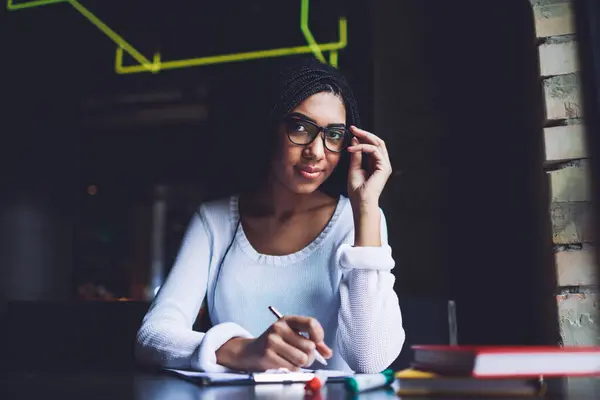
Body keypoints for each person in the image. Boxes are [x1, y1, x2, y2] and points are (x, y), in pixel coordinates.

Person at [135, 58, 405, 374]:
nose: (317, 152)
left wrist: (367, 208)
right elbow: (152, 337)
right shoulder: (216, 221)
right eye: (300, 128)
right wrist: (243, 349)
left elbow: (370, 359)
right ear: (269, 127)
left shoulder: (359, 221)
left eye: (333, 134)